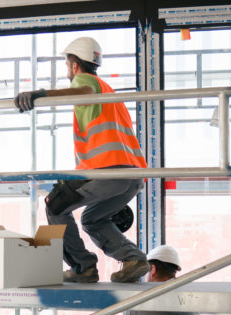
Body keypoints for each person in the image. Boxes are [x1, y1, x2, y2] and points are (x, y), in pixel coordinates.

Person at [14, 37, 150, 284]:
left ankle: (82, 268)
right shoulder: (108, 90)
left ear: (75, 65)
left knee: (55, 205)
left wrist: (41, 94)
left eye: (67, 65)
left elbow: (83, 90)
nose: (68, 71)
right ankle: (133, 259)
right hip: (131, 175)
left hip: (107, 170)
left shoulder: (85, 80)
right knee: (92, 219)